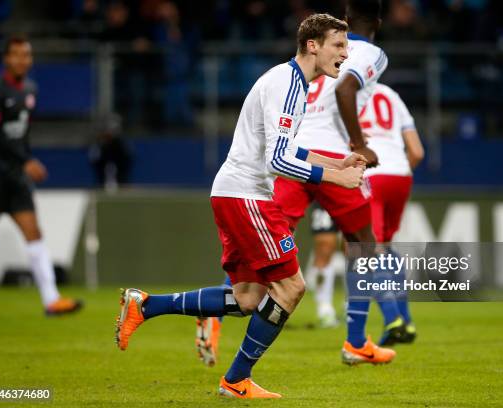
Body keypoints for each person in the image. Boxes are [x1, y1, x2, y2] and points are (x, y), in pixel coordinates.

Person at [115, 13, 368, 399]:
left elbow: (291, 149)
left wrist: (336, 161)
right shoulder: (286, 85)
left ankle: (145, 305)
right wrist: (339, 179)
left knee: (250, 298)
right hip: (247, 195)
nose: (345, 54)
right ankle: (235, 380)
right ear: (313, 45)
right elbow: (278, 163)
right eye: (339, 45)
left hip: (237, 193)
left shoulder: (292, 84)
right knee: (291, 288)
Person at [272, 0, 398, 365]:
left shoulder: (323, 45)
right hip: (333, 162)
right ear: (377, 20)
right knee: (364, 244)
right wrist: (361, 145)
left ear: (345, 15)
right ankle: (355, 342)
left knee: (269, 246)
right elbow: (345, 90)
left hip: (294, 156)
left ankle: (215, 309)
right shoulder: (370, 51)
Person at [0, 36, 83, 316]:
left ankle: (51, 299)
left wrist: (23, 160)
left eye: (26, 55)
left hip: (15, 178)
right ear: (6, 58)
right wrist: (25, 160)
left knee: (33, 231)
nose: (21, 60)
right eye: (16, 54)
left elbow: (21, 136)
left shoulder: (30, 89)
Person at [360, 82, 424, 345]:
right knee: (384, 246)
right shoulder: (391, 95)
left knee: (368, 250)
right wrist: (399, 170)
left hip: (371, 174)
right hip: (400, 175)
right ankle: (406, 322)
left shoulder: (344, 92)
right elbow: (418, 152)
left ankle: (392, 319)